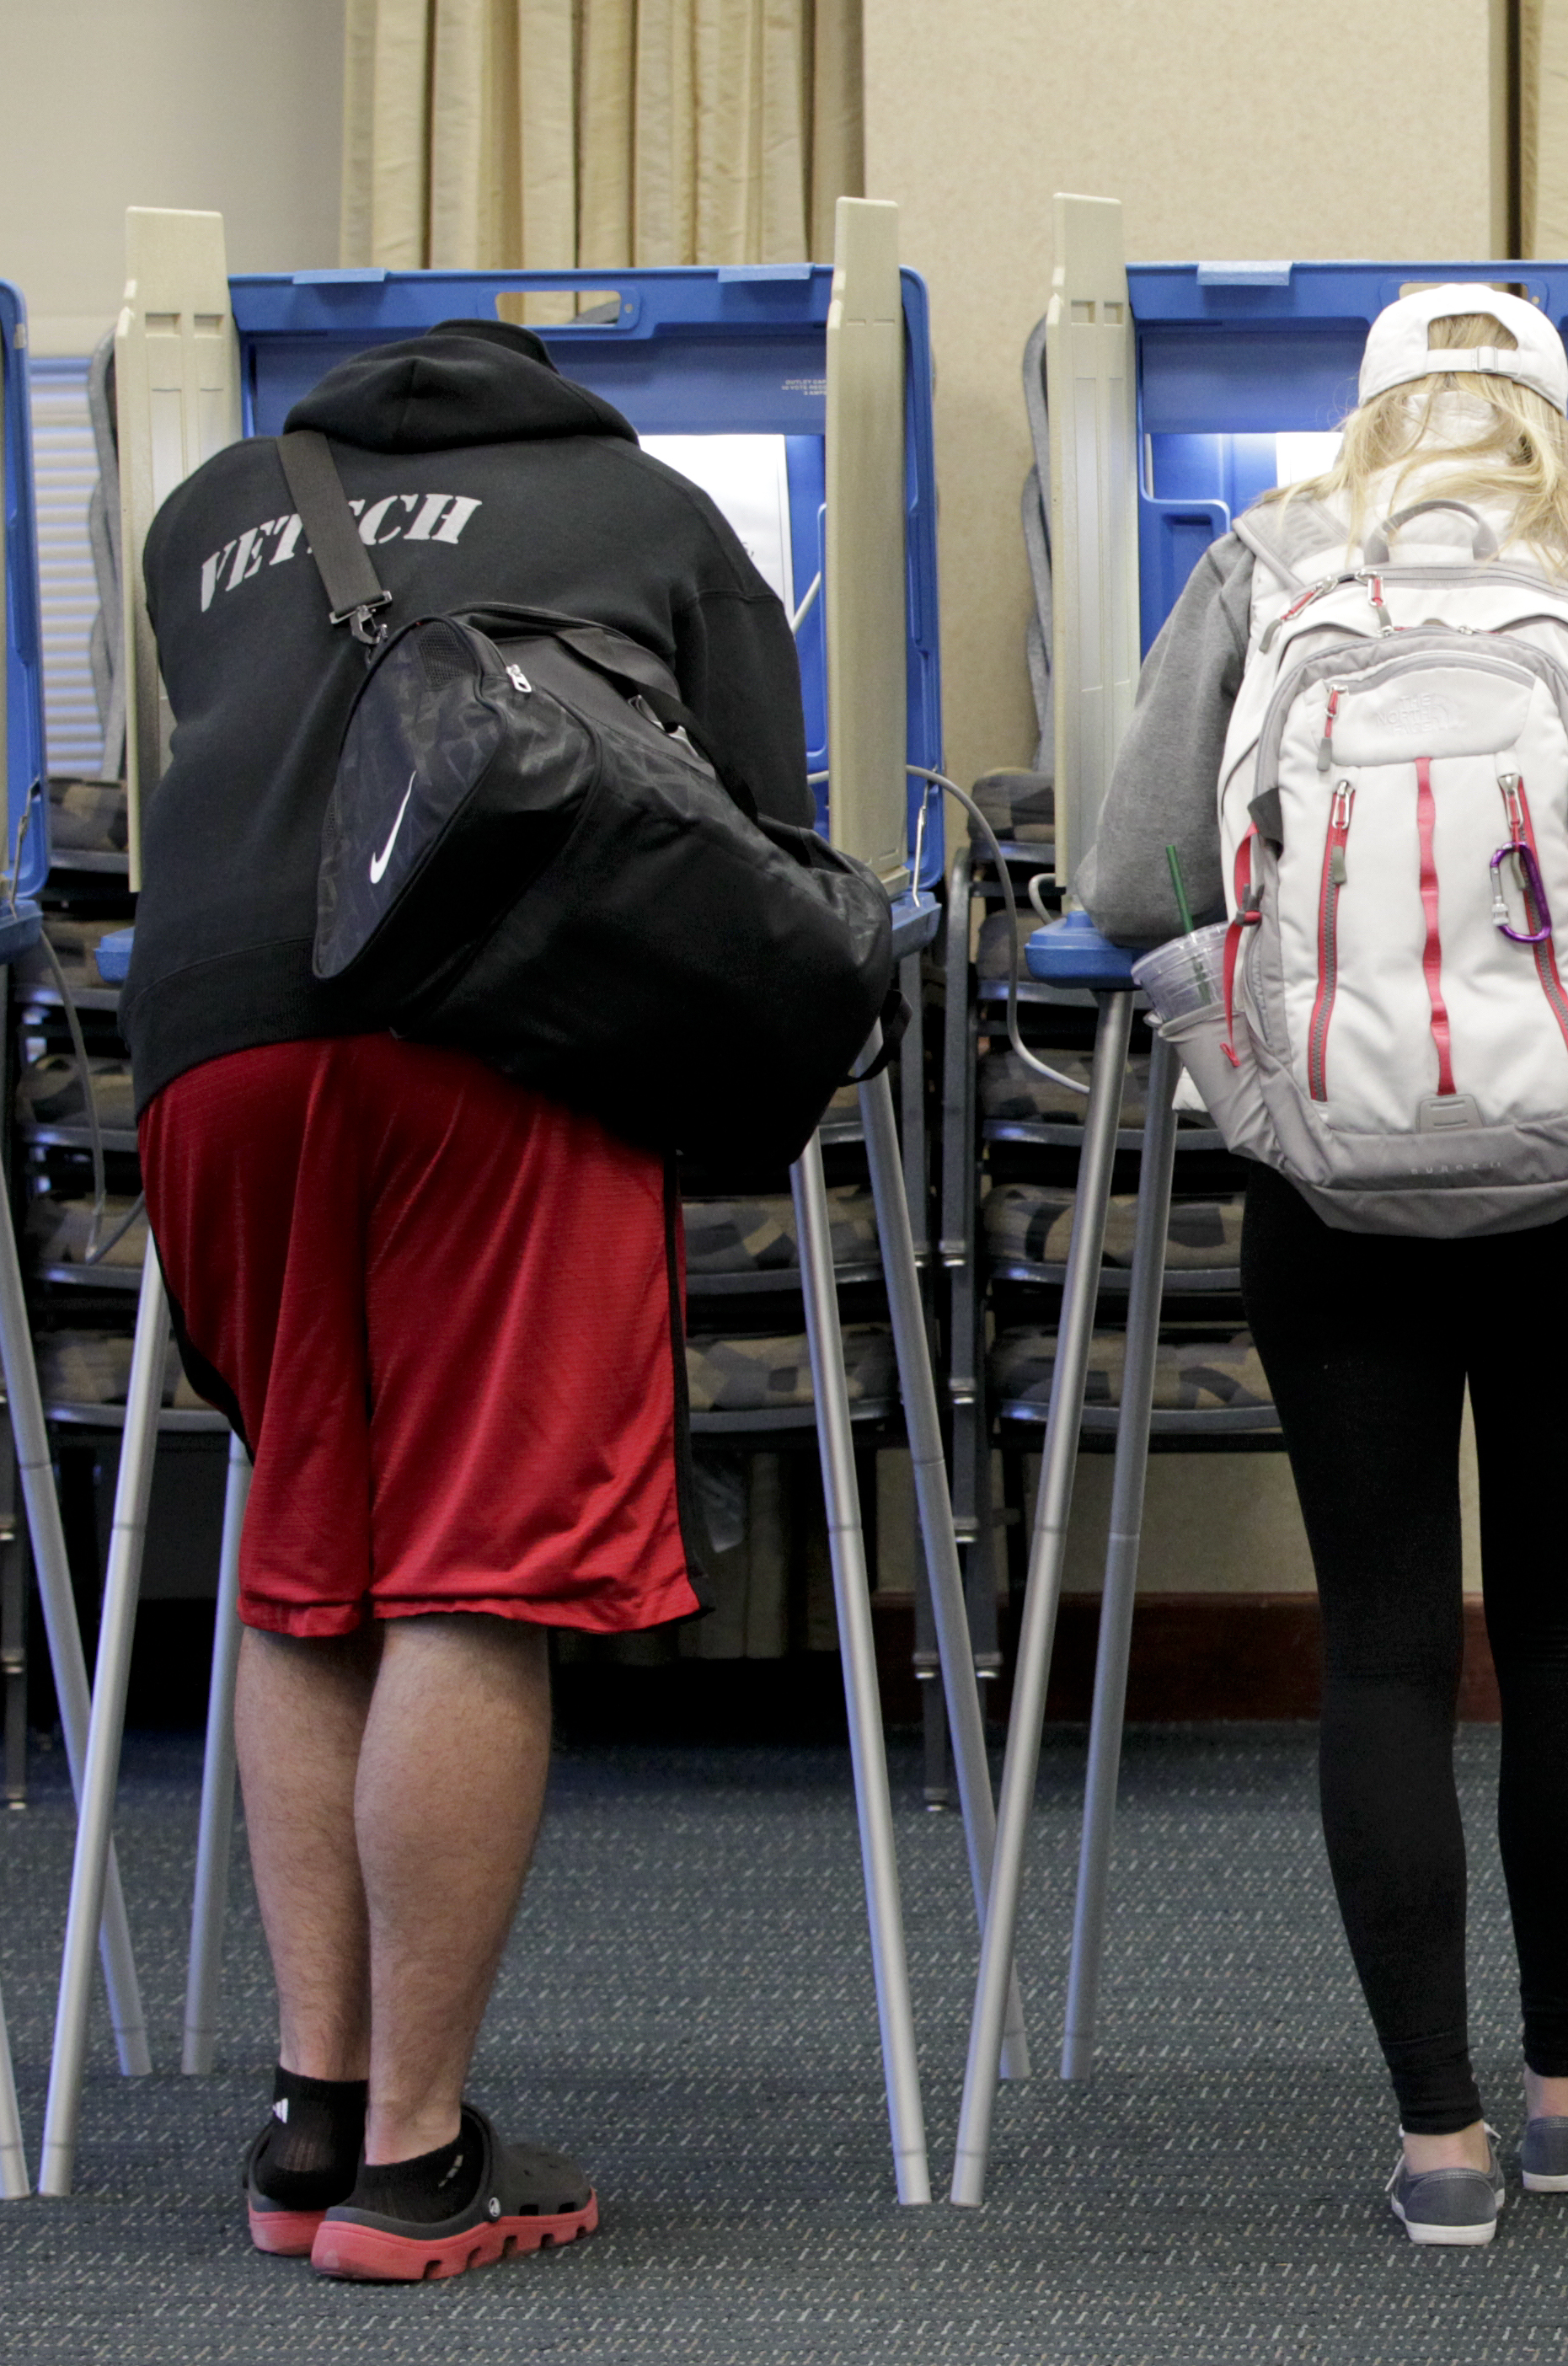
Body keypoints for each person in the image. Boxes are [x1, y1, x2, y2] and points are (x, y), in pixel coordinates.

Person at [1084, 287, 1568, 2246]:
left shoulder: (1261, 553)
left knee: (1386, 1644)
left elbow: (1126, 879)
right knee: (1564, 1629)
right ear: (1553, 412)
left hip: (1327, 1189)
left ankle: (1436, 2145)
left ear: (1371, 408)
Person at [129, 317, 811, 2279]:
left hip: (212, 1059)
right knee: (473, 1570)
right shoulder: (655, 507)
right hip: (495, 1040)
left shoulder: (213, 513)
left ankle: (308, 2119)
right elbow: (757, 841)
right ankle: (420, 2166)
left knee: (308, 1550)